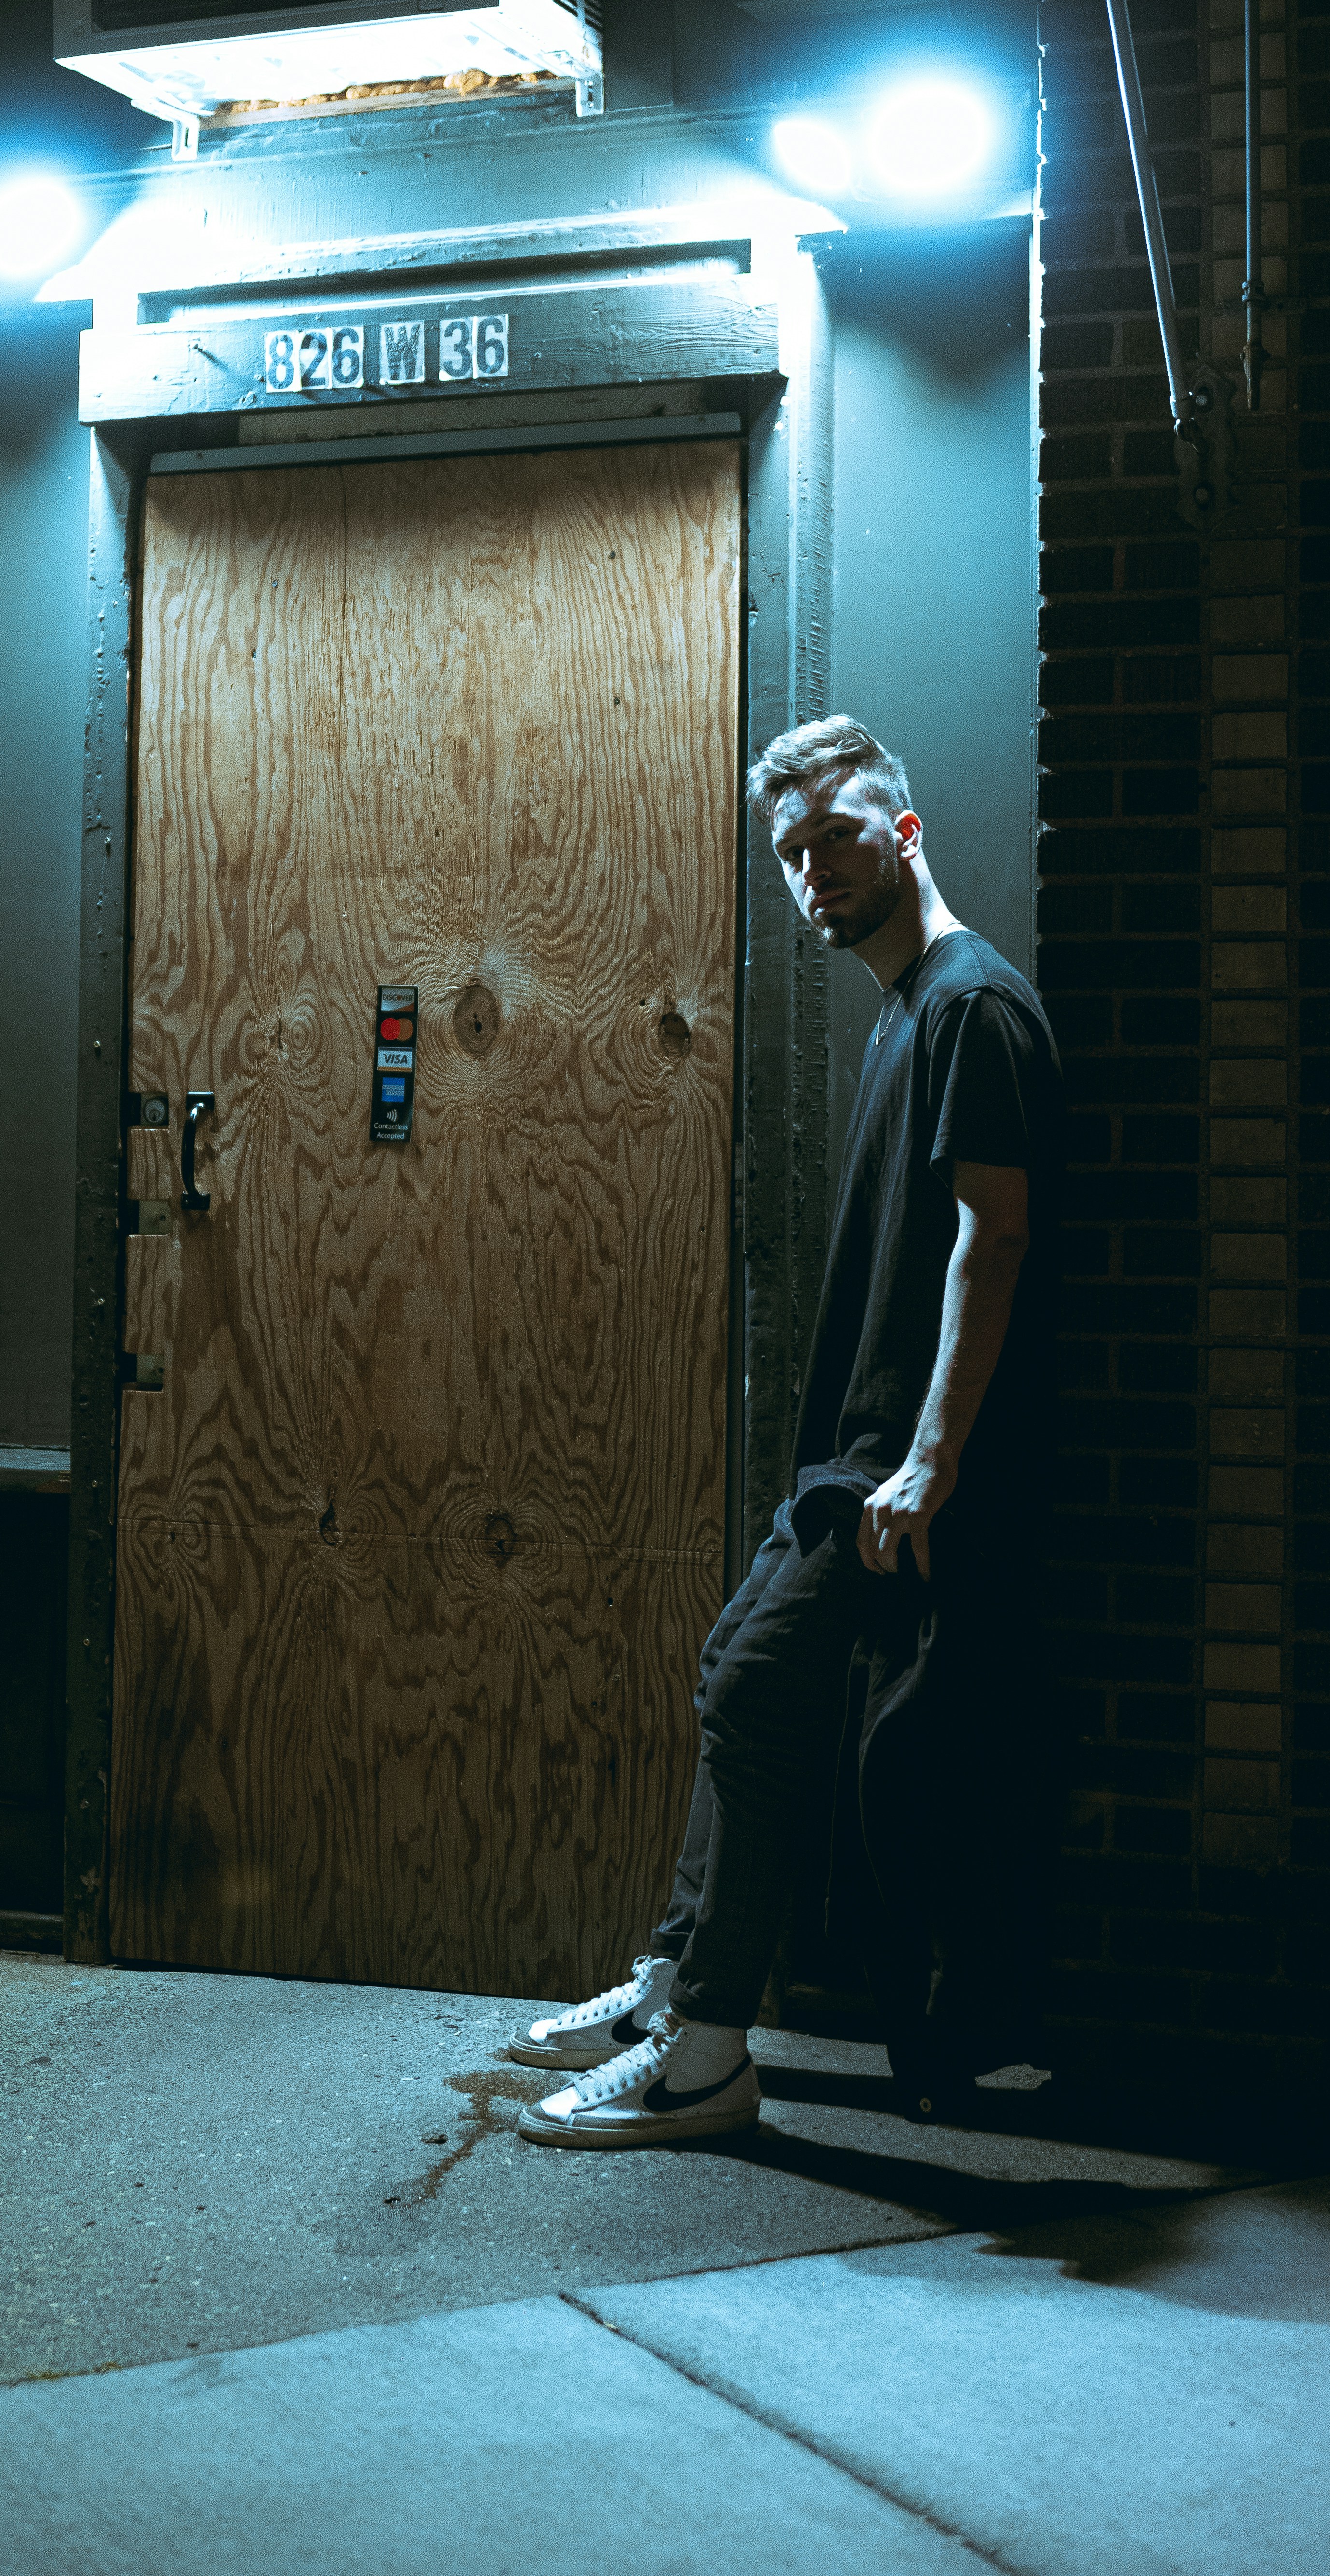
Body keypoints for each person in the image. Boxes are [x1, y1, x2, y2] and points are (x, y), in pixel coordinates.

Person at [514, 714, 1063, 2149]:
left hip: (904, 1467)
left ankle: (704, 2054)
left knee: (757, 1688)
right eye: (792, 852)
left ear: (910, 830)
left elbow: (994, 1235)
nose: (815, 868)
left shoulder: (972, 1007)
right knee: (736, 1673)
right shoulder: (907, 1010)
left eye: (838, 835)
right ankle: (672, 1988)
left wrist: (931, 1459)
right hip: (857, 1463)